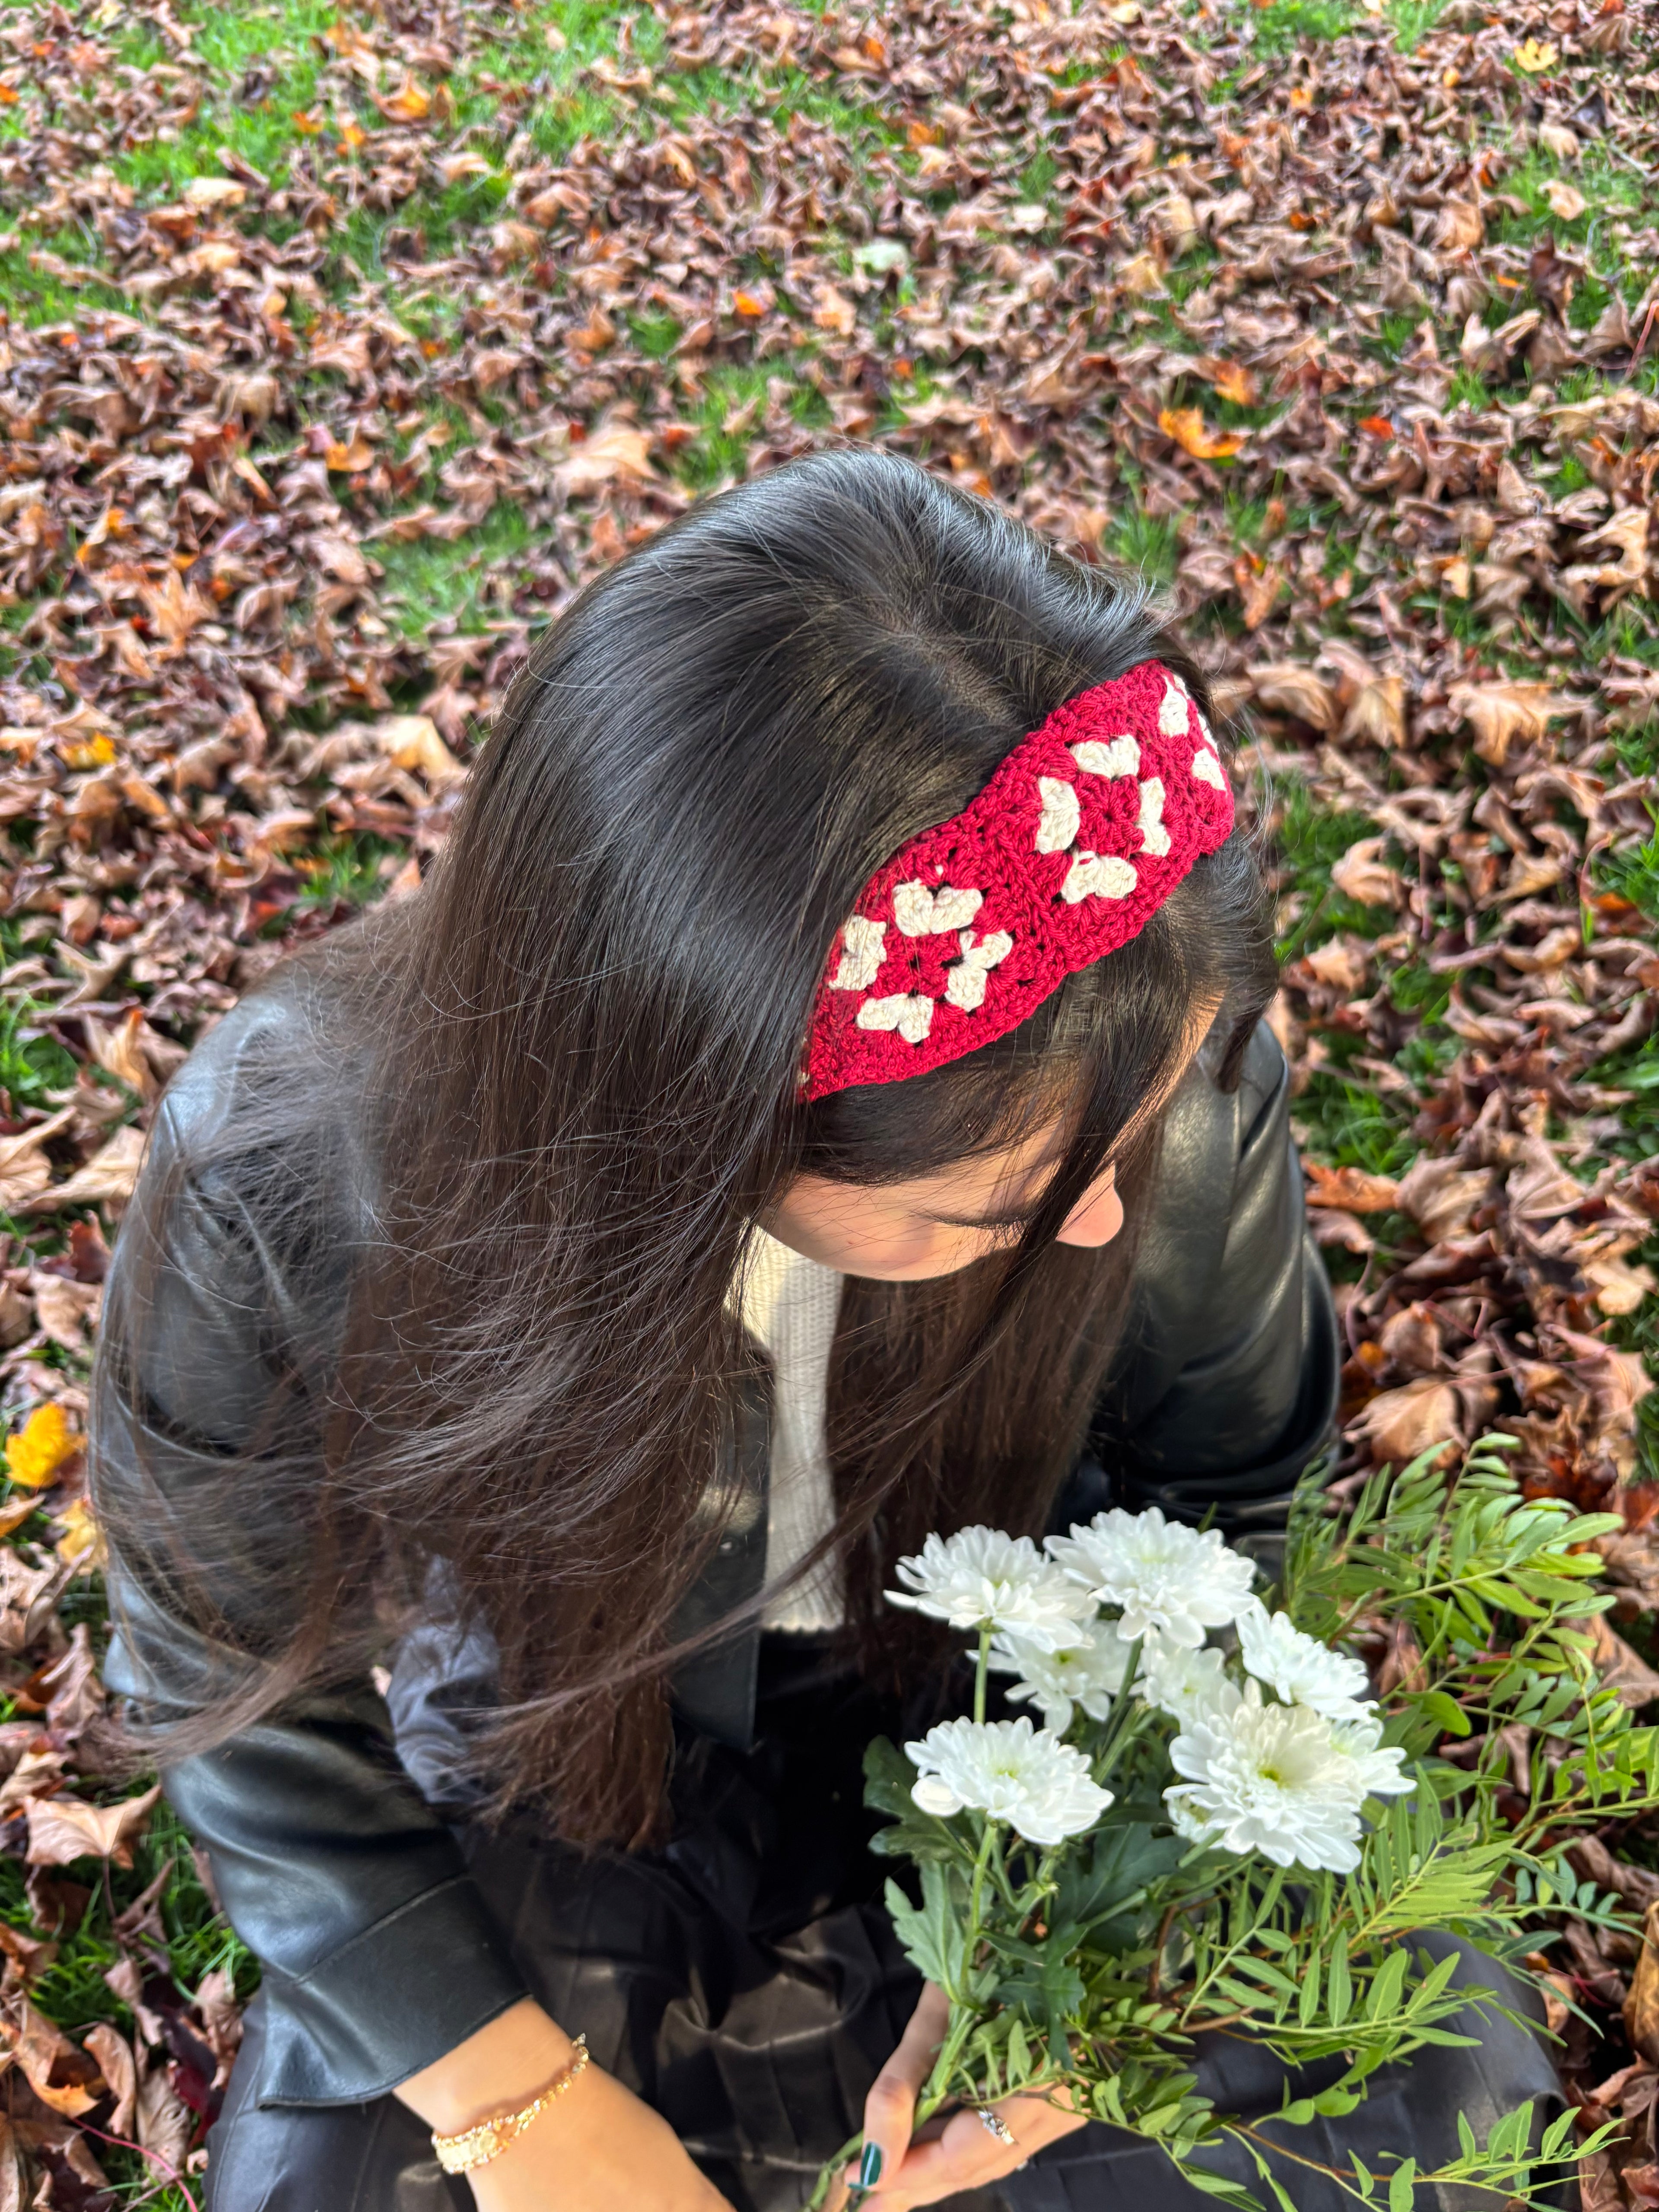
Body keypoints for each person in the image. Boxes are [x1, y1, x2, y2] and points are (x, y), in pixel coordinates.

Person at [89, 450, 1554, 2212]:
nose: (1103, 1223)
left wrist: (1063, 1933)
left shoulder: (1145, 1055)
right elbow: (231, 1685)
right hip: (577, 1731)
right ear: (701, 1126)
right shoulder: (287, 1177)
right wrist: (521, 2106)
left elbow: (1232, 1490)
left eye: (1124, 1149)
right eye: (992, 1206)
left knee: (1426, 2121)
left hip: (1029, 1688)